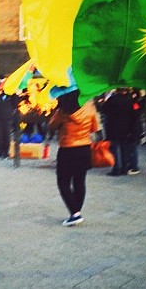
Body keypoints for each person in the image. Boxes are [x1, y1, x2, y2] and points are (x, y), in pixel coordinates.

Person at [48, 90, 99, 226]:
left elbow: (52, 126)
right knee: (79, 181)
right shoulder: (90, 107)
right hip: (84, 148)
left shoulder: (63, 110)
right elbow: (94, 127)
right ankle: (76, 211)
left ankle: (75, 213)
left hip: (67, 148)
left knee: (63, 182)